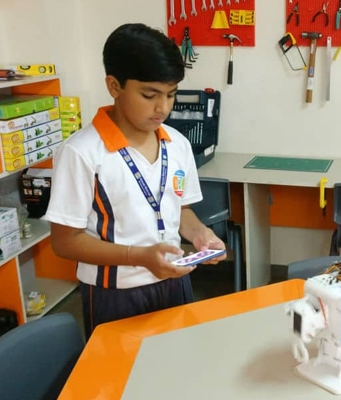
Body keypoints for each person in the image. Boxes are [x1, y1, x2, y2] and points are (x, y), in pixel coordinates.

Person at [42, 23, 226, 338]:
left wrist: (200, 235)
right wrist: (137, 256)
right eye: (149, 95)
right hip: (116, 292)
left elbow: (179, 210)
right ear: (114, 86)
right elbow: (65, 241)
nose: (163, 107)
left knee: (176, 365)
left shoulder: (177, 144)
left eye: (171, 94)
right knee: (121, 379)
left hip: (175, 280)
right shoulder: (82, 152)